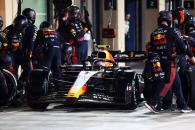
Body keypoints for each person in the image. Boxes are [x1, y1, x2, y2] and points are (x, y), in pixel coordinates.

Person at [144, 10, 195, 113]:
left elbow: (151, 49)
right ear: (169, 20)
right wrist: (191, 55)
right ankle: (154, 103)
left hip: (158, 61)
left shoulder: (153, 33)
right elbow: (182, 45)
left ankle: (182, 105)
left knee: (177, 83)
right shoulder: (171, 31)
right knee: (166, 82)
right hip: (169, 62)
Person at [20, 8, 37, 82]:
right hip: (26, 53)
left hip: (16, 52)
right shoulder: (33, 28)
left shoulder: (19, 25)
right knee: (29, 72)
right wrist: (30, 56)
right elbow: (31, 42)